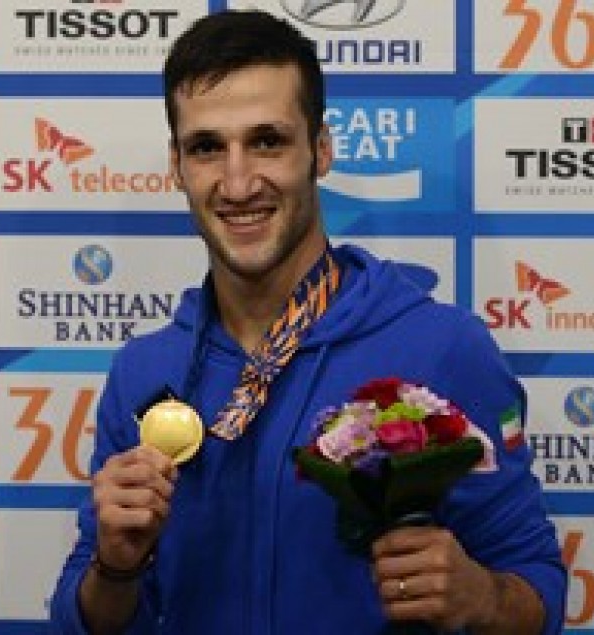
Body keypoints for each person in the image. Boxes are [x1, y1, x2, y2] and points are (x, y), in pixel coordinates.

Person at [50, 9, 565, 635]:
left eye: (267, 141)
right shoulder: (145, 371)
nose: (238, 183)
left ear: (320, 150)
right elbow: (86, 618)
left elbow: (538, 590)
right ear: (177, 166)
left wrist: (482, 598)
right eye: (207, 147)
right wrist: (116, 568)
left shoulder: (442, 348)